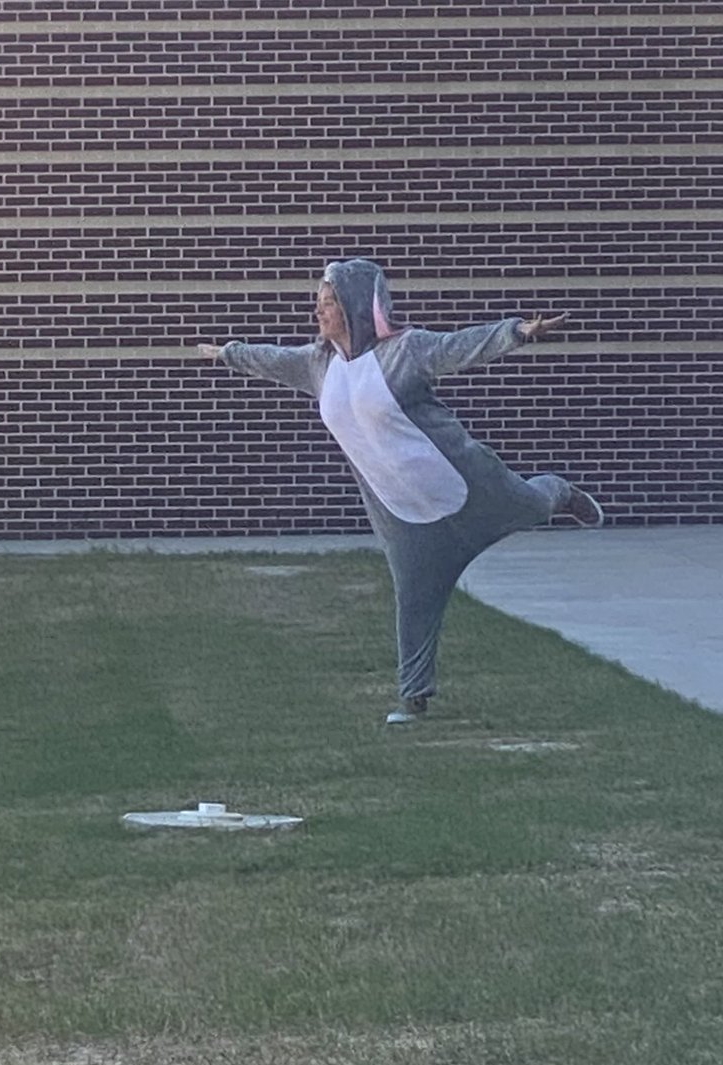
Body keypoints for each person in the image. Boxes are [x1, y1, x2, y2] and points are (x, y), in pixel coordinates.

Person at [198, 257, 604, 725]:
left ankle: (559, 491)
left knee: (532, 505)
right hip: (406, 517)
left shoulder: (403, 352)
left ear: (353, 306)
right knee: (413, 600)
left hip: (470, 486)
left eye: (328, 302)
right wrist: (228, 352)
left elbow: (458, 347)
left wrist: (518, 331)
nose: (319, 311)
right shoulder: (317, 365)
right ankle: (414, 697)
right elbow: (270, 359)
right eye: (317, 303)